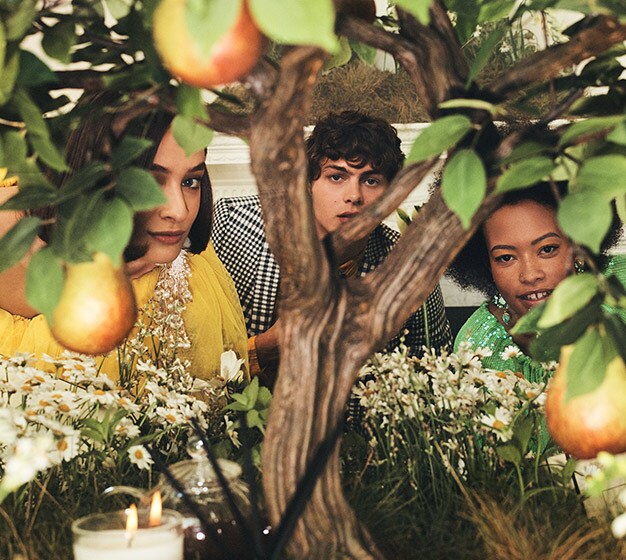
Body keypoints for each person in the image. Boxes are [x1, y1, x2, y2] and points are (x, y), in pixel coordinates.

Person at [0, 94, 248, 381]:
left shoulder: (184, 274)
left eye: (190, 181)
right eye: (150, 182)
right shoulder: (15, 227)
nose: (179, 212)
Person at [212, 110, 452, 378]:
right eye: (337, 177)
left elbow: (434, 378)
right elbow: (193, 362)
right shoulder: (236, 225)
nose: (354, 196)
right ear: (308, 183)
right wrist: (267, 347)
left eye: (371, 181)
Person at [447, 182, 625, 383]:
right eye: (506, 258)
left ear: (578, 245)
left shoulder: (621, 285)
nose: (530, 275)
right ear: (486, 263)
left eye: (547, 249)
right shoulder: (477, 347)